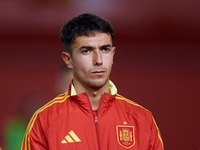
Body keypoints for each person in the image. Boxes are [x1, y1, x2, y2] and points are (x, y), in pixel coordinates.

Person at [21, 13, 164, 150]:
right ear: (68, 59)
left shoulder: (142, 119)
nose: (98, 60)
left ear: (113, 54)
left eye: (105, 49)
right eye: (86, 51)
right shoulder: (44, 120)